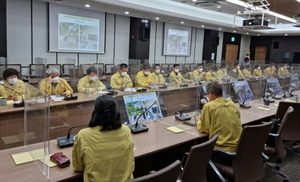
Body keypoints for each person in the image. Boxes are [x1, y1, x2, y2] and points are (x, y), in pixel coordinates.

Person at [72, 95, 134, 182]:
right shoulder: (126, 130)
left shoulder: (83, 135)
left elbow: (78, 167)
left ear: (95, 112)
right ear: (117, 112)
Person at [196, 82, 242, 166]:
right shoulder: (231, 103)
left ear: (211, 94)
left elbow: (204, 129)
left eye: (207, 94)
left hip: (223, 153)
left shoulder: (209, 106)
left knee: (198, 154)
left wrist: (198, 121)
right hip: (239, 150)